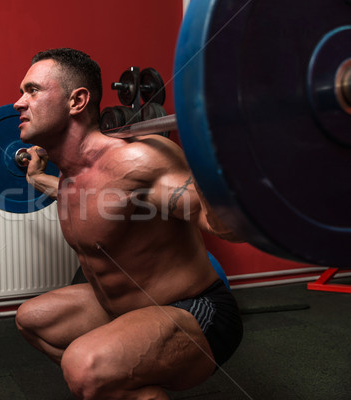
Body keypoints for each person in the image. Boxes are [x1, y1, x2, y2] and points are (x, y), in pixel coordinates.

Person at [13, 48, 243, 400]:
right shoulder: (70, 179)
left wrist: (217, 156)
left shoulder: (137, 160)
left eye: (32, 90)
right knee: (33, 320)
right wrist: (36, 179)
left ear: (77, 101)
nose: (18, 103)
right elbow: (97, 201)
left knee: (83, 365)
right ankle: (128, 386)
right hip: (123, 308)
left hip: (195, 310)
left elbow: (226, 226)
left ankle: (104, 378)